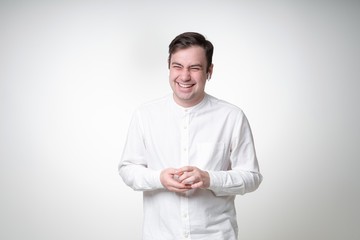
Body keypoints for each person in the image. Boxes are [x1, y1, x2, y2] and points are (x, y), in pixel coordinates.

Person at [119, 32, 262, 240]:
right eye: (177, 66)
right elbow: (127, 169)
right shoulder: (145, 115)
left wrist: (209, 178)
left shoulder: (232, 117)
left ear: (209, 71)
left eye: (194, 68)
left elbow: (252, 177)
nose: (184, 76)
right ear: (169, 68)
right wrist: (158, 178)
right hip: (160, 235)